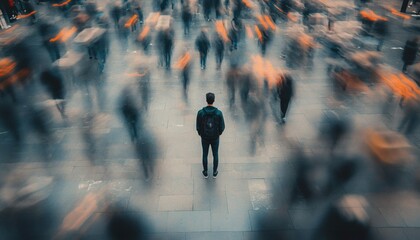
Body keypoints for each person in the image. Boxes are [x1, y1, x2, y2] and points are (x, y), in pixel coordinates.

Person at [196, 92, 225, 178]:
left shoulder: (200, 113)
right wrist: (218, 133)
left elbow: (198, 126)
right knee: (215, 154)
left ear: (206, 100)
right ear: (214, 100)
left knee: (205, 154)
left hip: (204, 137)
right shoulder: (219, 113)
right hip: (215, 137)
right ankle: (214, 172)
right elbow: (222, 126)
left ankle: (205, 172)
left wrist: (201, 134)